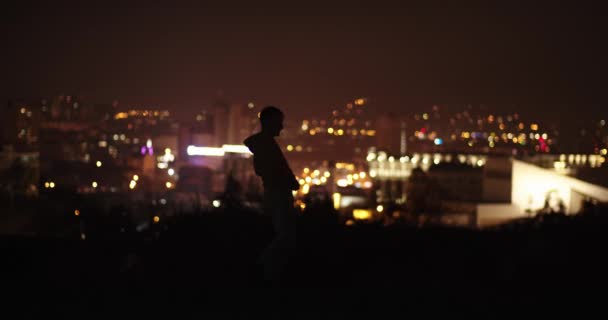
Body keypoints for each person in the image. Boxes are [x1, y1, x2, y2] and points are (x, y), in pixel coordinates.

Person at [244, 106, 300, 285]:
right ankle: (265, 268)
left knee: (284, 234)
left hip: (278, 191)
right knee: (285, 236)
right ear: (269, 122)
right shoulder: (265, 145)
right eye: (279, 122)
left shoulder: (264, 144)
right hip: (278, 193)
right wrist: (287, 180)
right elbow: (271, 169)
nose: (281, 127)